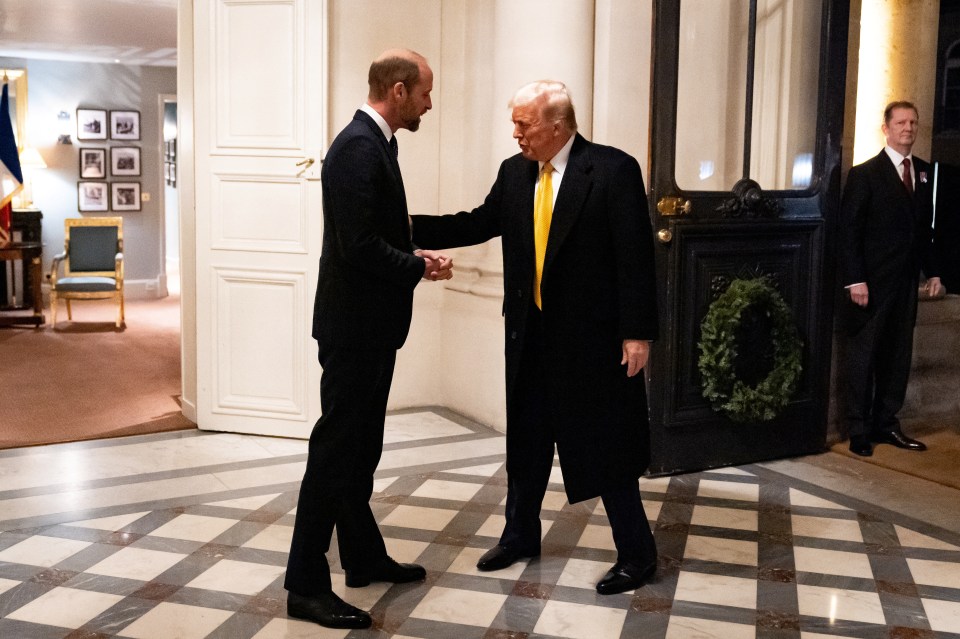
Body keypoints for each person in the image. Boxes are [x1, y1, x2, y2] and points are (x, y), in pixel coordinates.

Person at [411, 80, 660, 595]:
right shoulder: (515, 172)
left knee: (607, 444)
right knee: (526, 442)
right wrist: (403, 226)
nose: (516, 133)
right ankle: (519, 535)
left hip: (595, 342)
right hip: (531, 335)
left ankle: (637, 553)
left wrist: (638, 333)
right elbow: (479, 222)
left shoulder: (613, 170)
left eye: (523, 124)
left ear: (557, 125)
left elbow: (635, 257)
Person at [284, 49, 452, 630]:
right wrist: (418, 268)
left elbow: (376, 233)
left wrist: (412, 253)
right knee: (335, 453)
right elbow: (357, 246)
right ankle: (305, 585)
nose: (431, 102)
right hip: (355, 329)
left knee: (361, 449)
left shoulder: (375, 143)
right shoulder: (358, 147)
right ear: (399, 91)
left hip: (369, 327)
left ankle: (361, 556)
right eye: (426, 92)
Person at [839, 100, 943, 457]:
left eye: (913, 122)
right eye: (901, 122)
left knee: (898, 356)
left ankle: (887, 424)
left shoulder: (925, 173)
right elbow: (849, 232)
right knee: (863, 356)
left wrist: (934, 272)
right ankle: (858, 430)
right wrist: (855, 280)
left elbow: (924, 230)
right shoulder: (866, 174)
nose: (908, 129)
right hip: (871, 285)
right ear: (886, 128)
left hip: (905, 286)